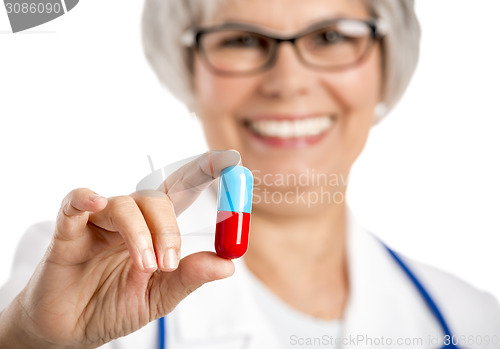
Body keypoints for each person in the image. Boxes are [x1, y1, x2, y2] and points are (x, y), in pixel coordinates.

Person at [0, 0, 499, 348]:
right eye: (241, 39)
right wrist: (31, 341)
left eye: (330, 36)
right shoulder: (80, 272)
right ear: (187, 68)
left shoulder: (474, 320)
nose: (287, 82)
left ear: (388, 64)